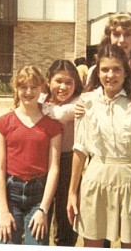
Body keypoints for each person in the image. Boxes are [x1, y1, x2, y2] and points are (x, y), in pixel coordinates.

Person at [78, 12, 131, 248]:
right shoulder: (98, 69)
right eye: (116, 34)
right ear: (108, 36)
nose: (122, 40)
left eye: (128, 34)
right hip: (104, 161)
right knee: (99, 229)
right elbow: (89, 106)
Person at [0, 66, 62, 245]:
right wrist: (4, 211)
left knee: (37, 244)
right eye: (23, 87)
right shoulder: (3, 123)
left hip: (38, 196)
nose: (29, 92)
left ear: (42, 88)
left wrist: (43, 210)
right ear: (16, 88)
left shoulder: (52, 126)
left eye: (34, 87)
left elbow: (54, 169)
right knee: (7, 242)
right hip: (11, 194)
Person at [40, 59, 83, 246]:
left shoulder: (81, 102)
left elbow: (60, 114)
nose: (63, 87)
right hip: (43, 160)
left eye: (69, 82)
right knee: (43, 207)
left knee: (66, 213)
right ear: (48, 81)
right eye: (58, 81)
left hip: (69, 160)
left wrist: (41, 106)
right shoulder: (41, 99)